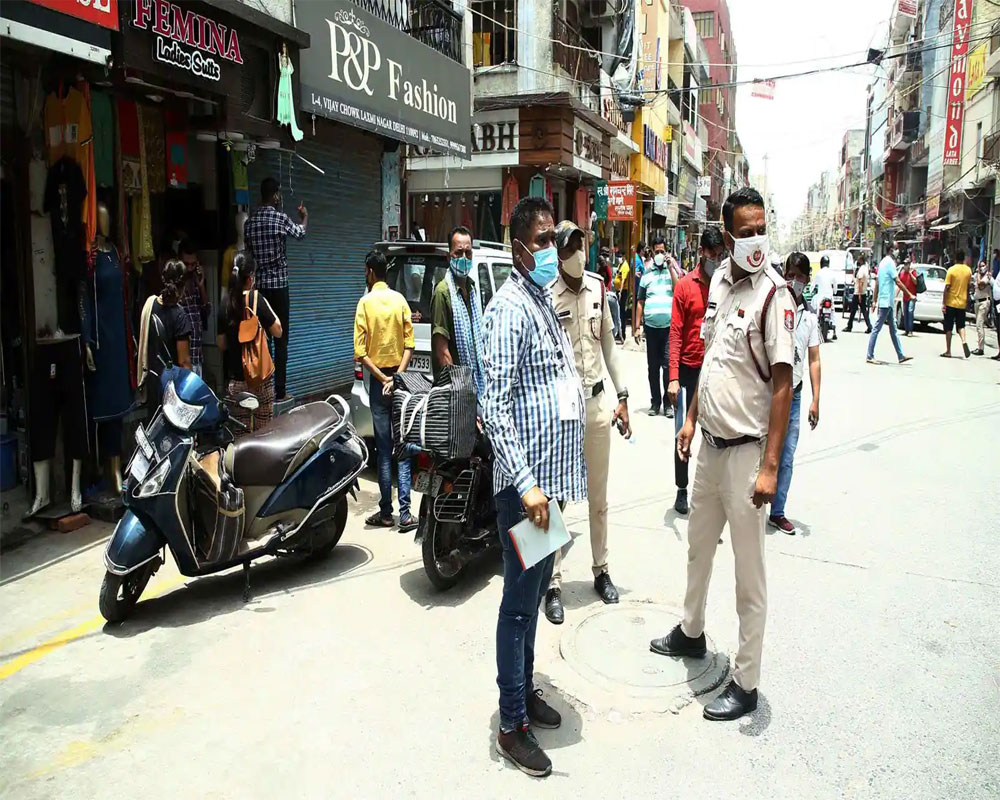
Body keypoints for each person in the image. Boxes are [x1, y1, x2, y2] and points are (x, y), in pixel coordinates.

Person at [649, 187, 796, 722]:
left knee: (748, 574)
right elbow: (711, 360)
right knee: (697, 549)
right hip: (708, 446)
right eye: (747, 231)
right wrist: (689, 420)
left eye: (763, 228)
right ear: (728, 235)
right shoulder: (719, 283)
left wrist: (771, 468)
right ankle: (691, 633)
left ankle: (747, 681)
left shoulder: (775, 296)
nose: (756, 240)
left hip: (746, 456)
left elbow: (783, 385)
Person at [481, 197, 585, 778]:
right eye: (543, 239)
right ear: (521, 245)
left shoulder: (540, 301)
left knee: (536, 592)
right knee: (518, 608)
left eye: (554, 238)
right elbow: (495, 405)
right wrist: (525, 484)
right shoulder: (508, 310)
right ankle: (511, 721)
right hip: (527, 492)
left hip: (548, 488)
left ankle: (525, 695)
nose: (551, 249)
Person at [544, 220, 631, 626]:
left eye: (581, 244)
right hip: (562, 410)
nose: (578, 253)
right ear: (558, 254)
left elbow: (609, 346)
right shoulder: (547, 295)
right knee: (555, 500)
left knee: (600, 498)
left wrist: (624, 395)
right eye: (569, 247)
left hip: (596, 405)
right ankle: (552, 584)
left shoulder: (598, 287)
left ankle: (602, 570)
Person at [354, 249, 417, 532]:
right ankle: (405, 514)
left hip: (380, 384)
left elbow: (360, 352)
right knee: (402, 446)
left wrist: (382, 379)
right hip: (399, 382)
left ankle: (386, 512)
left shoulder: (364, 303)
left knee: (383, 449)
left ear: (369, 271)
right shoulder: (400, 300)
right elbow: (409, 345)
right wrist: (397, 377)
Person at [667, 226, 726, 515]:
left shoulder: (724, 287)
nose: (716, 260)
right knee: (682, 431)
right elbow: (675, 332)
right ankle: (681, 488)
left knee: (714, 436)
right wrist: (674, 378)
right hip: (687, 372)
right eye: (712, 255)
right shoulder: (684, 286)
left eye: (720, 255)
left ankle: (710, 496)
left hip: (712, 371)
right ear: (701, 253)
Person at [768, 252, 821, 535]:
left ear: (807, 280)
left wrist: (815, 399)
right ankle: (748, 506)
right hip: (769, 391)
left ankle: (777, 511)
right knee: (758, 450)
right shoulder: (773, 305)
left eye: (801, 277)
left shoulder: (810, 318)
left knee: (786, 454)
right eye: (791, 275)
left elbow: (814, 359)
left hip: (795, 394)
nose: (795, 281)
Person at [244, 177, 307, 400]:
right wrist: (304, 218)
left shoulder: (249, 223)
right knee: (281, 339)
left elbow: (248, 258)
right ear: (276, 195)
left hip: (259, 290)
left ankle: (263, 388)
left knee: (262, 338)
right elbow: (300, 233)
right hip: (279, 286)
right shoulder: (280, 219)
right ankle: (280, 391)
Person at [220, 253, 283, 434]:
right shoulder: (256, 299)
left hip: (236, 384)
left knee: (240, 436)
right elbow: (278, 330)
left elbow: (221, 344)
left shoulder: (225, 303)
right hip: (259, 380)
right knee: (264, 434)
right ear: (250, 278)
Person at [431, 226, 485, 392]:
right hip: (454, 390)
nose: (464, 258)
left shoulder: (472, 290)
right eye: (458, 253)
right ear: (449, 257)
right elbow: (442, 352)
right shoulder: (443, 292)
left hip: (474, 385)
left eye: (468, 253)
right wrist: (460, 390)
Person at [138, 259, 193, 423]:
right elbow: (184, 361)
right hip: (172, 388)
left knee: (154, 428)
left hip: (153, 381)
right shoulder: (179, 315)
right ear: (183, 286)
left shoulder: (150, 304)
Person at [635, 236, 675, 417]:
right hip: (650, 328)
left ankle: (667, 404)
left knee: (667, 367)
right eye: (656, 251)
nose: (659, 255)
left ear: (666, 252)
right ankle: (655, 402)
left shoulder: (671, 271)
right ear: (652, 251)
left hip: (668, 328)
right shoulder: (647, 274)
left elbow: (679, 288)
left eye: (662, 251)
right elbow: (640, 301)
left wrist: (672, 266)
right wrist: (637, 326)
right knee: (653, 368)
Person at [866, 244, 914, 365]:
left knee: (893, 329)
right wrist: (909, 294)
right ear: (891, 250)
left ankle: (900, 355)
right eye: (896, 249)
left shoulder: (882, 262)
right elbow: (897, 280)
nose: (898, 252)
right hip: (886, 301)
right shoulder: (890, 263)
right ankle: (869, 355)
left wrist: (874, 300)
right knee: (877, 328)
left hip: (886, 300)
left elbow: (877, 282)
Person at [176, 239, 210, 375]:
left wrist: (201, 285)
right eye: (186, 264)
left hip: (197, 351)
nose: (189, 268)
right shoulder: (176, 283)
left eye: (193, 264)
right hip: (183, 356)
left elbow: (206, 310)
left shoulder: (196, 279)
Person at [941, 250, 973, 359]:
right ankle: (964, 341)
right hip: (962, 303)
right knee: (961, 325)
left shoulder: (951, 270)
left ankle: (948, 351)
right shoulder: (968, 271)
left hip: (951, 302)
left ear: (955, 258)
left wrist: (944, 303)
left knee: (948, 327)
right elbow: (969, 287)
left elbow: (947, 288)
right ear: (963, 258)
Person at [811, 254, 838, 341]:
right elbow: (835, 286)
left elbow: (812, 286)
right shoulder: (832, 273)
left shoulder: (818, 273)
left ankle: (815, 327)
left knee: (815, 310)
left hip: (820, 297)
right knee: (833, 311)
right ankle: (834, 330)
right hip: (830, 296)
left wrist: (811, 291)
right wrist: (834, 292)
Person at [845, 253, 872, 333]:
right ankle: (851, 326)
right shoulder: (865, 269)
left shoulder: (861, 269)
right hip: (862, 292)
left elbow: (860, 282)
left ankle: (850, 326)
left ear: (861, 260)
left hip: (858, 293)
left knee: (856, 310)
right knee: (860, 310)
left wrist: (859, 294)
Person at [971, 259, 993, 356]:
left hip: (984, 302)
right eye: (980, 266)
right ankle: (980, 346)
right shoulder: (977, 276)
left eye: (983, 266)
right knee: (979, 324)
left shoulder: (987, 276)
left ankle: (981, 349)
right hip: (977, 302)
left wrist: (979, 274)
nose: (981, 268)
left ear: (986, 266)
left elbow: (980, 285)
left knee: (979, 325)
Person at [898, 258, 918, 336]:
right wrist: (896, 295)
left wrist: (910, 274)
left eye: (907, 264)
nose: (905, 266)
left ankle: (910, 331)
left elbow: (916, 282)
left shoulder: (913, 272)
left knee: (910, 312)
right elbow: (899, 284)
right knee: (905, 313)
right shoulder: (902, 273)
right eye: (904, 264)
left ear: (909, 265)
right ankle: (906, 330)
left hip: (912, 296)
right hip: (905, 297)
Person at [615, 252, 631, 339]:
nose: (618, 258)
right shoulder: (620, 265)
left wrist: (620, 292)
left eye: (620, 256)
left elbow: (623, 280)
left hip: (623, 292)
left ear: (624, 257)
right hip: (618, 291)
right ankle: (619, 332)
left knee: (621, 313)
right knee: (618, 312)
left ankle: (622, 333)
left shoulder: (625, 266)